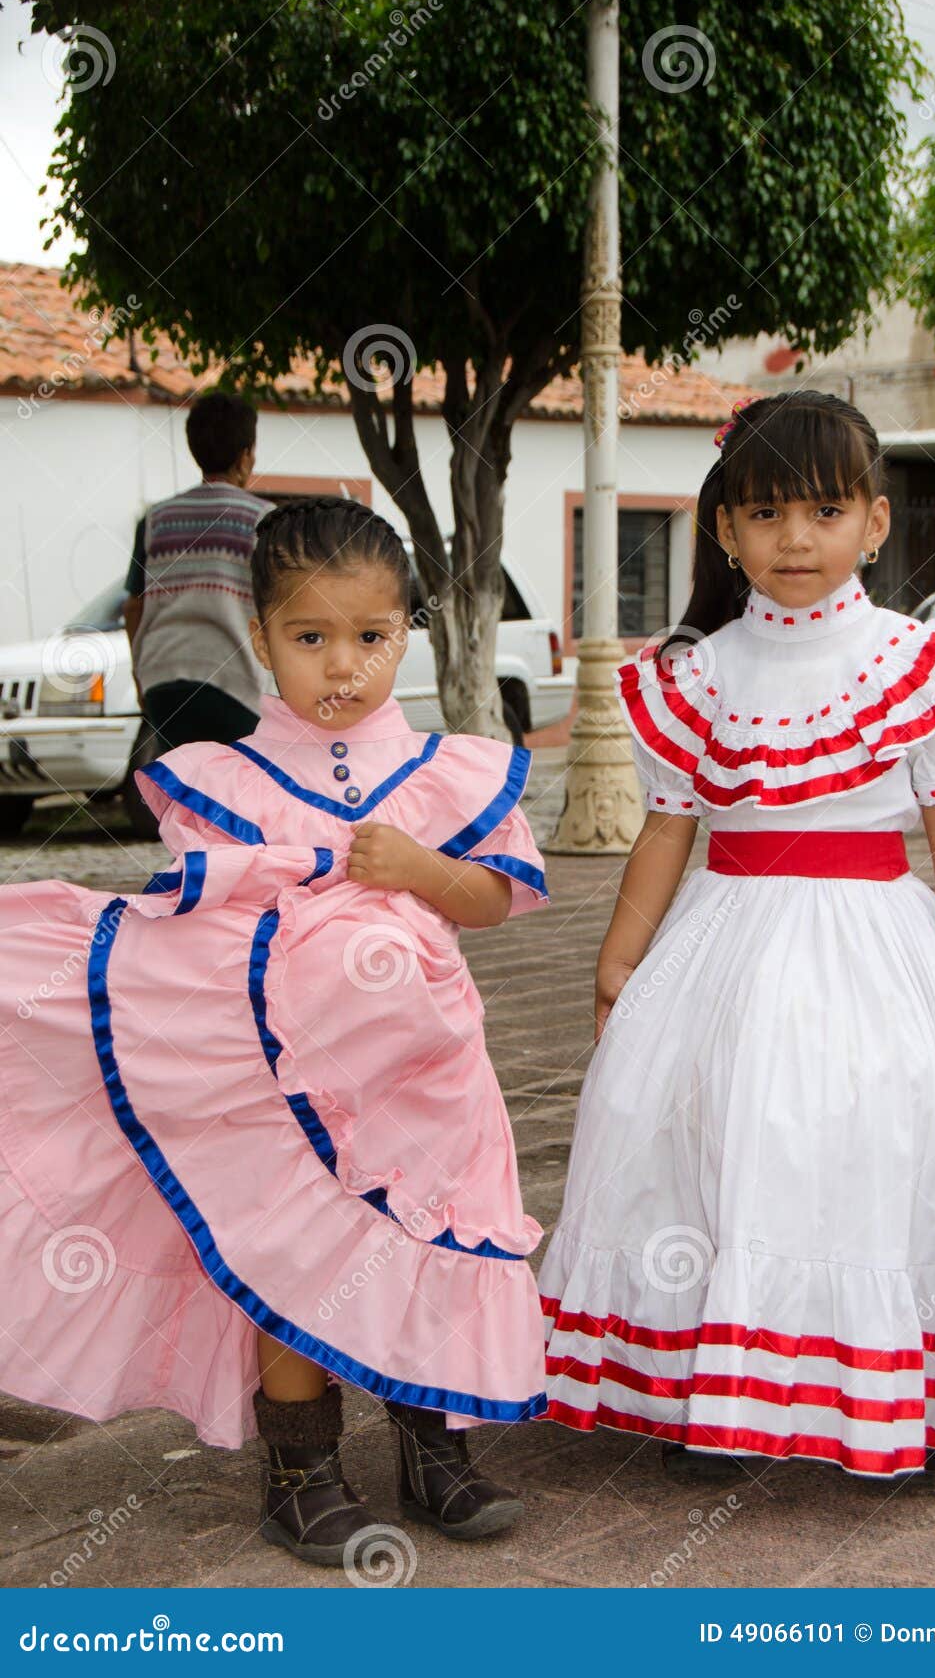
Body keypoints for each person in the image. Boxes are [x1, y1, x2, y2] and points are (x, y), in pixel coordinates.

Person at [0, 498, 549, 1567]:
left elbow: (491, 899)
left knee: (430, 1239)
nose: (341, 667)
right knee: (298, 1254)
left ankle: (434, 1446)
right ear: (261, 639)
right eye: (310, 638)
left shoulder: (452, 771)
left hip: (431, 1077)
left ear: (405, 634)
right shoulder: (221, 779)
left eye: (371, 637)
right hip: (281, 1088)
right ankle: (300, 1473)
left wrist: (425, 870)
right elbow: (186, 940)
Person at [539, 389, 935, 1483]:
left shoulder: (920, 664)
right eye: (765, 513)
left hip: (881, 947)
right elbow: (665, 835)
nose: (794, 539)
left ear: (872, 522)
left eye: (824, 511)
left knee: (875, 1147)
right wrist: (620, 956)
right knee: (711, 1145)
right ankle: (718, 1390)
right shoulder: (695, 675)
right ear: (724, 529)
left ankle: (894, 1388)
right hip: (721, 946)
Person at [122, 391, 274, 751]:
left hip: (164, 681)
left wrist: (141, 678)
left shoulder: (156, 520)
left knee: (186, 792)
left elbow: (133, 607)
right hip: (234, 682)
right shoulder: (263, 519)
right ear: (247, 453)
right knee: (235, 796)